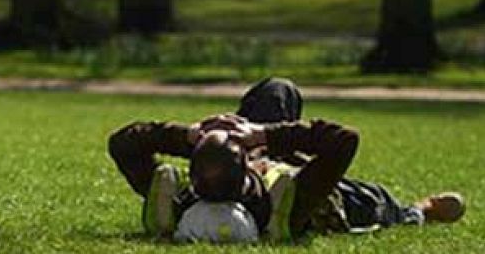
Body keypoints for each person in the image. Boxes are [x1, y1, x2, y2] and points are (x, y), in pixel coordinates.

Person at [109, 77, 466, 243]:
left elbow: (123, 144)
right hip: (332, 194)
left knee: (277, 91)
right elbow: (344, 140)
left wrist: (190, 135)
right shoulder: (290, 202)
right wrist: (264, 135)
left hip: (259, 154)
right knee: (381, 205)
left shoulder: (179, 198)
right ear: (245, 164)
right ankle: (423, 209)